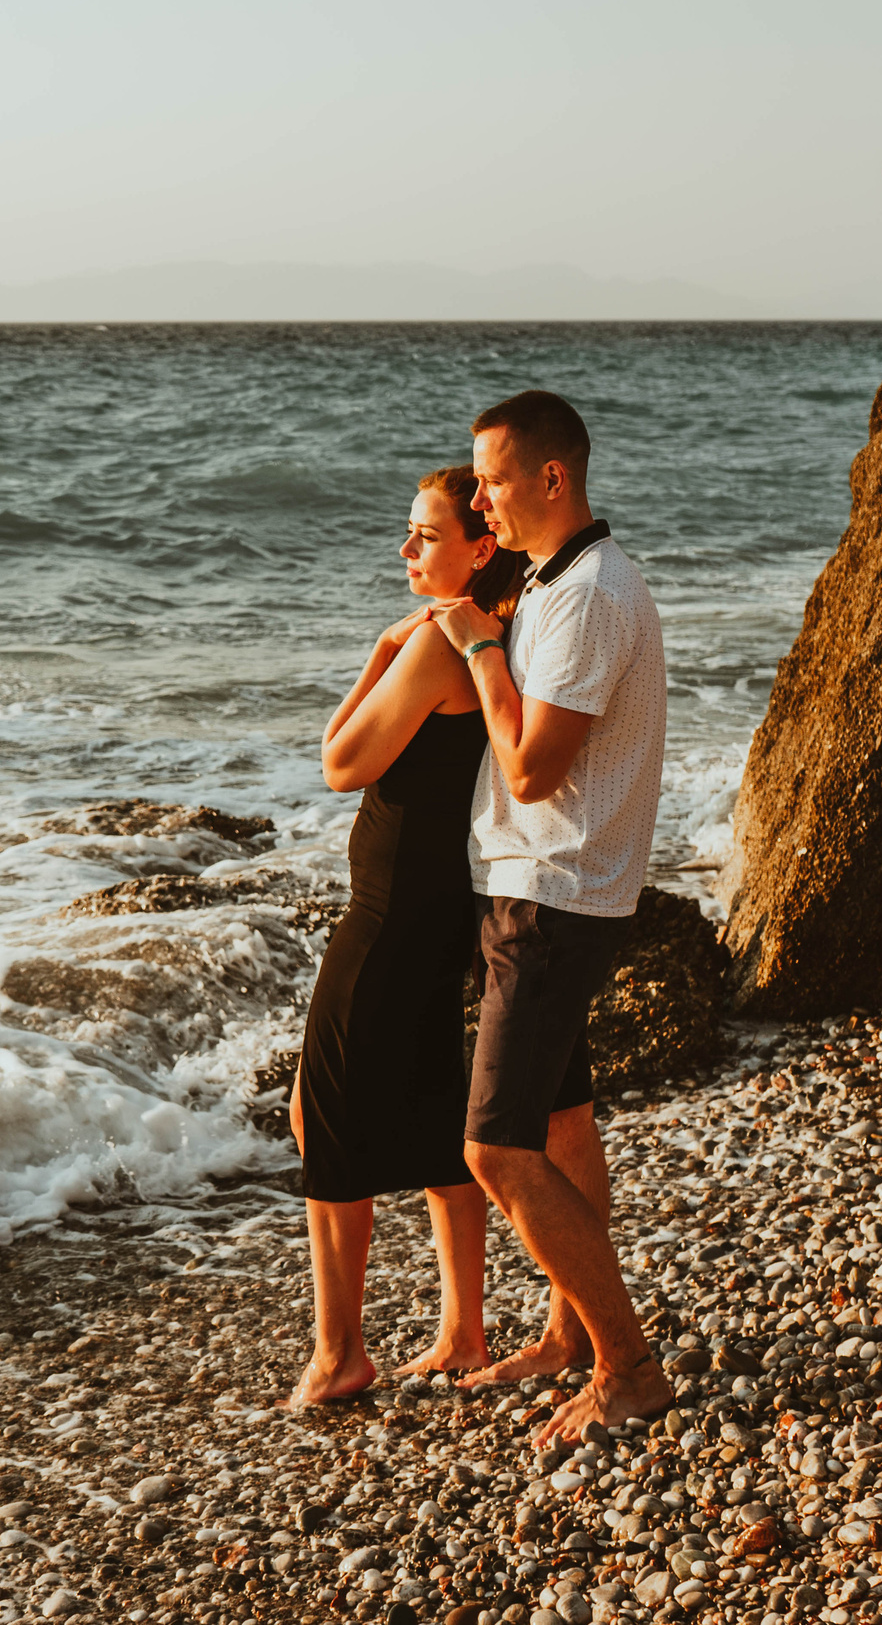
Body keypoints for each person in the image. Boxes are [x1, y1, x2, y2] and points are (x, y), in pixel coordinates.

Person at [427, 389, 674, 1446]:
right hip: (542, 888)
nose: (480, 495)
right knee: (562, 1125)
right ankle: (570, 1335)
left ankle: (630, 1365)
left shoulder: (588, 599)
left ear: (551, 479)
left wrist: (480, 650)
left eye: (491, 477)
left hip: (555, 898)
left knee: (495, 1149)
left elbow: (531, 769)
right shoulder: (556, 582)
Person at [287, 464, 529, 1408]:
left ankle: (339, 1351)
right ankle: (461, 1327)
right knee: (433, 1118)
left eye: (424, 535)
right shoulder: (492, 638)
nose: (406, 549)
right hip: (443, 908)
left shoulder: (434, 644)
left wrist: (379, 655)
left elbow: (341, 762)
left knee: (325, 1119)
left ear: (480, 548)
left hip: (386, 918)